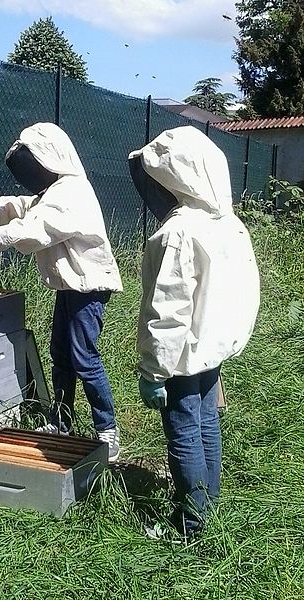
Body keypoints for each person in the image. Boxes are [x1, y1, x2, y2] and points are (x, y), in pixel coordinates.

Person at [0, 122, 123, 461]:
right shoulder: (55, 191)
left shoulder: (72, 193)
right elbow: (27, 205)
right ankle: (62, 423)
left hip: (88, 288)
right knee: (61, 355)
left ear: (51, 158)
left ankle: (108, 430)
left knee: (84, 359)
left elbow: (34, 231)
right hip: (70, 285)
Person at [128, 126, 260, 538]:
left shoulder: (177, 233)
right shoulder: (228, 224)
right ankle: (209, 509)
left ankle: (191, 527)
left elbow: (167, 311)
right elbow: (245, 293)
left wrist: (153, 372)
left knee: (184, 433)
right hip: (212, 349)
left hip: (183, 355)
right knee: (206, 426)